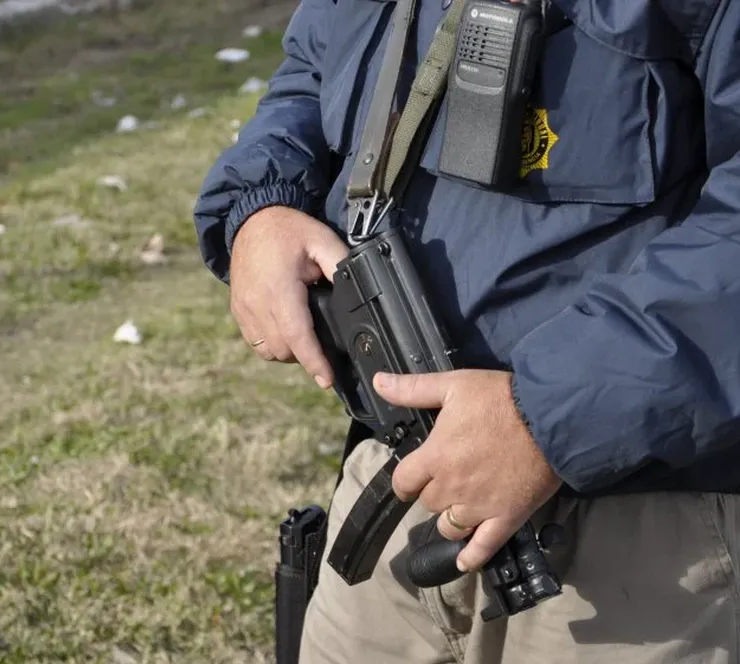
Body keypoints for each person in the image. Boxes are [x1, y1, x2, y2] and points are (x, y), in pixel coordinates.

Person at [193, 0, 740, 662]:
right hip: (393, 480)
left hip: (638, 537)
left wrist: (545, 415)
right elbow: (316, 65)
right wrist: (261, 208)